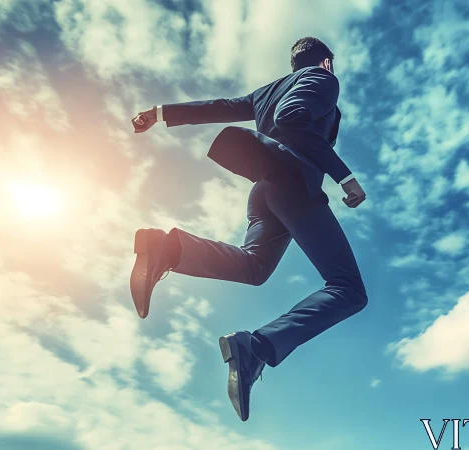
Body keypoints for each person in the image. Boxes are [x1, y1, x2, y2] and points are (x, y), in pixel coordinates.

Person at [129, 37, 368, 422]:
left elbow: (217, 107)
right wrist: (345, 176)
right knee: (349, 289)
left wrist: (158, 113)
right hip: (292, 184)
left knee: (254, 267)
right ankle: (258, 348)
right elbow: (292, 117)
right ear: (327, 62)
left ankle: (166, 250)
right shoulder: (322, 79)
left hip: (264, 190)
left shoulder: (265, 92)